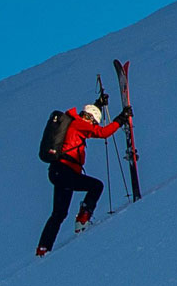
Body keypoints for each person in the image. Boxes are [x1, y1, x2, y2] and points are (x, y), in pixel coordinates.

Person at [38, 99, 131, 255]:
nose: (93, 125)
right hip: (65, 171)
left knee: (59, 213)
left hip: (57, 172)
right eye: (94, 122)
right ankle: (83, 219)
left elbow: (89, 127)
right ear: (89, 118)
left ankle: (43, 248)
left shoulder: (75, 122)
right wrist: (121, 119)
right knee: (96, 186)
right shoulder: (79, 123)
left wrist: (98, 105)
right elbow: (102, 133)